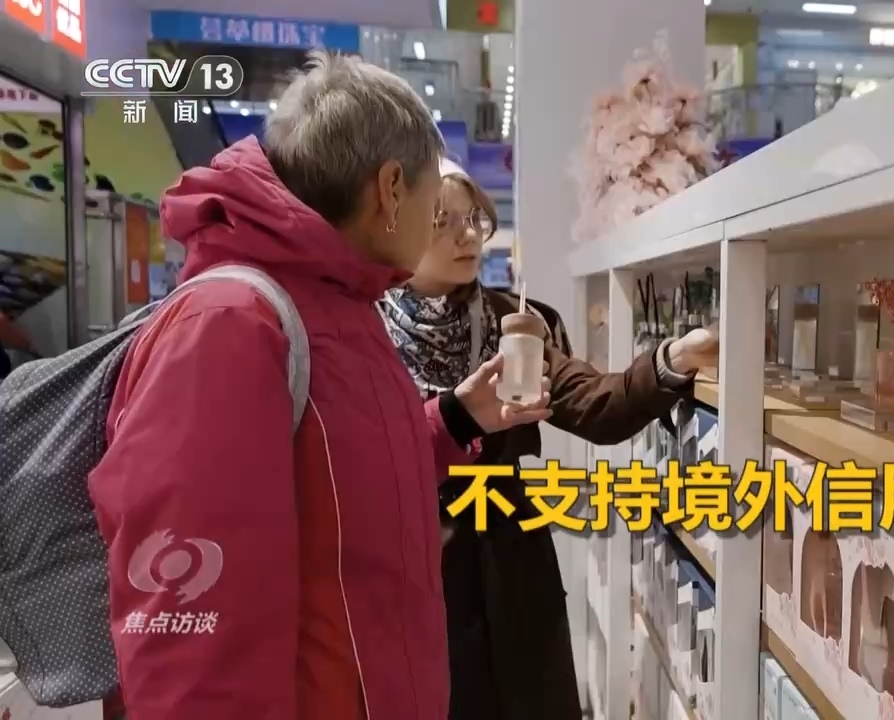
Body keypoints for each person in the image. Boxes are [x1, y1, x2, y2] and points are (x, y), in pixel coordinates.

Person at [87, 52, 549, 720]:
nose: (444, 227)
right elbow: (189, 633)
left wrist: (454, 419)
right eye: (435, 204)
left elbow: (337, 484)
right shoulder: (229, 327)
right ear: (391, 188)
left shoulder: (342, 305)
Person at [377, 159, 718, 720]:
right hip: (414, 574)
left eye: (473, 219)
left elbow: (596, 405)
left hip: (513, 570)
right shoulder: (365, 331)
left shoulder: (513, 321)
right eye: (442, 222)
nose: (467, 236)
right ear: (402, 223)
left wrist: (674, 359)